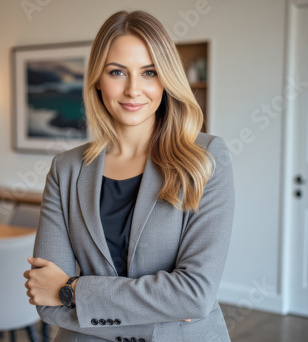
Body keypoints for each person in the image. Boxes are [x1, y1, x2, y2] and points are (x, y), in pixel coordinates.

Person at [23, 10, 234, 342]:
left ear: (166, 79)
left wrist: (72, 290)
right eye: (117, 72)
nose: (133, 89)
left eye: (148, 72)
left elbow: (195, 294)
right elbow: (47, 303)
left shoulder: (205, 158)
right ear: (97, 79)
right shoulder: (66, 169)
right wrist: (167, 312)